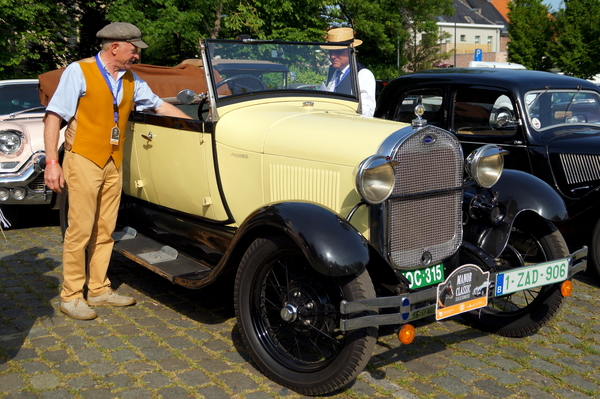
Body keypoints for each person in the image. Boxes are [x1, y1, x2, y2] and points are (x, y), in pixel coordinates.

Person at [44, 22, 190, 320]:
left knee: (106, 228)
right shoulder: (79, 71)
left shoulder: (130, 79)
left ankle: (98, 288)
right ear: (115, 48)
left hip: (112, 161)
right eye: (133, 50)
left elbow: (159, 106)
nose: (136, 55)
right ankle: (71, 296)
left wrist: (197, 126)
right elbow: (53, 117)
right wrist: (51, 163)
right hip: (83, 158)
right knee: (80, 229)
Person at [323, 27, 376, 117]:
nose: (332, 56)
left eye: (338, 51)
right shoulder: (332, 72)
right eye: (330, 51)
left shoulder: (363, 75)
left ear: (351, 50)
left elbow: (368, 112)